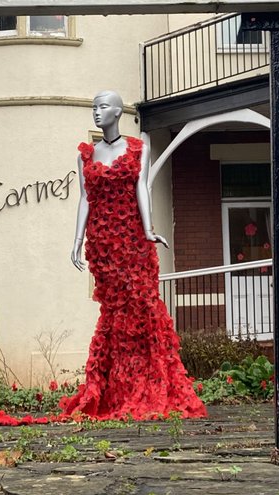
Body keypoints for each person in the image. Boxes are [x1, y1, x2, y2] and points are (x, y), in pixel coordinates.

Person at [62, 90, 207, 419]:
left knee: (142, 308)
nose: (96, 112)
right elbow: (85, 198)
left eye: (102, 106)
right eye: (93, 106)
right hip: (102, 246)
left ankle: (147, 383)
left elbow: (141, 185)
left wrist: (147, 230)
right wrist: (76, 239)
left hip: (133, 244)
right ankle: (116, 390)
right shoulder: (87, 155)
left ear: (117, 111)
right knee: (114, 314)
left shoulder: (138, 147)